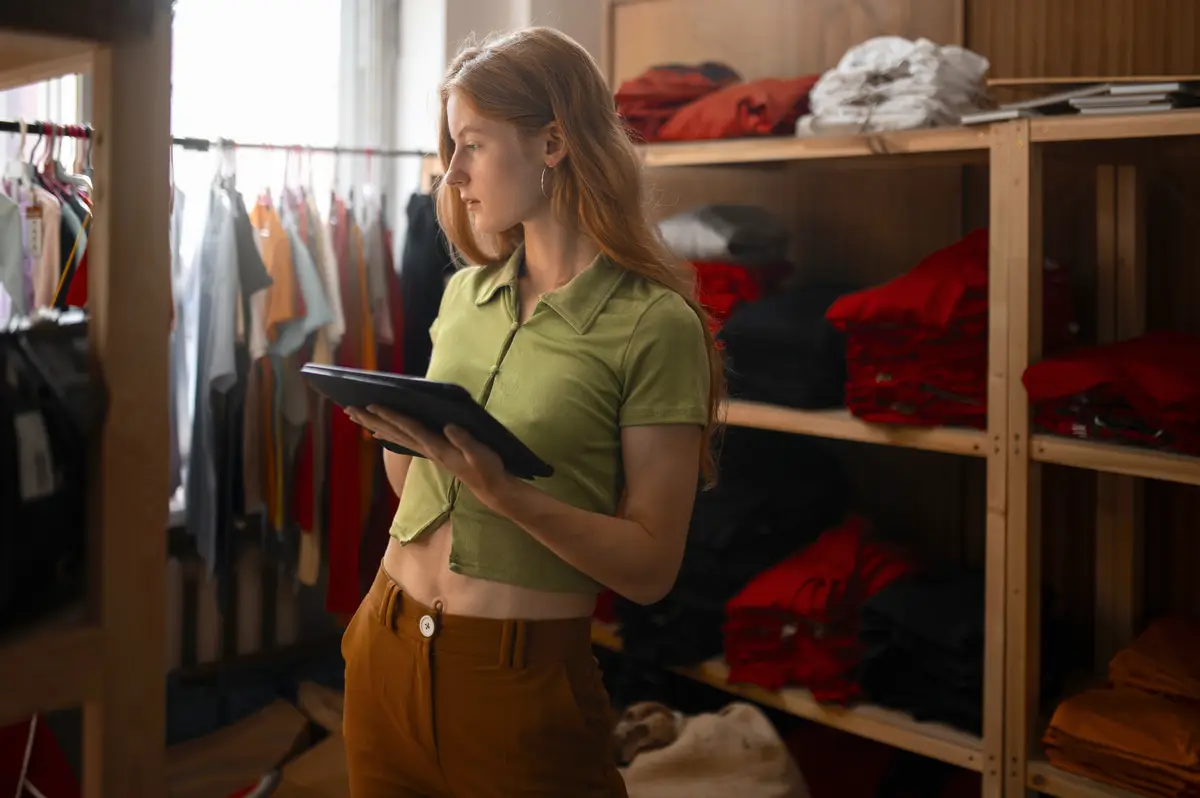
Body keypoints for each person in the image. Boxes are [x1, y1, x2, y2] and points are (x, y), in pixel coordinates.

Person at [340, 26, 724, 798]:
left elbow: (651, 568)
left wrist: (505, 493)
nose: (451, 174)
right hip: (383, 646)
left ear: (552, 143)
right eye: (453, 146)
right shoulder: (464, 294)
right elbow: (417, 497)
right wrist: (402, 435)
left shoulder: (656, 326)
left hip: (518, 687)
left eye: (472, 145)